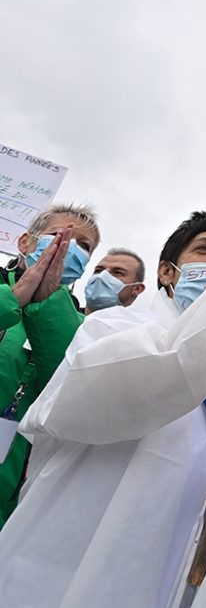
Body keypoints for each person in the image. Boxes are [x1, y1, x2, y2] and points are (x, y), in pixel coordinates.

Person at [0, 210, 206, 608]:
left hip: (184, 584)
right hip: (73, 570)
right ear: (167, 273)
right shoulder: (113, 328)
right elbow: (150, 379)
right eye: (205, 249)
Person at [0, 202, 100, 528]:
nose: (70, 247)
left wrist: (47, 310)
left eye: (84, 246)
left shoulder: (78, 324)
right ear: (25, 242)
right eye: (59, 235)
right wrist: (12, 300)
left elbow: (67, 389)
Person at [83, 247, 146, 313]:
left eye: (117, 272)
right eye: (98, 270)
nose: (101, 276)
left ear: (137, 289)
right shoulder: (71, 318)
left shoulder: (147, 323)